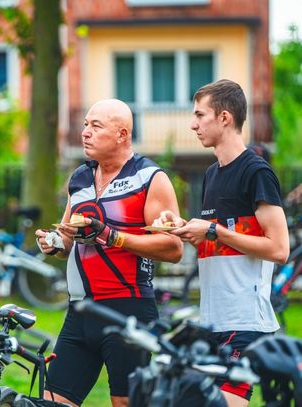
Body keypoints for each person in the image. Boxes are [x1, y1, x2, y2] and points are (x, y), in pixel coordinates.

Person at [35, 99, 183, 407]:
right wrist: (54, 242)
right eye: (85, 125)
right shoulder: (80, 178)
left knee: (125, 403)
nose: (85, 132)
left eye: (96, 126)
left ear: (122, 134)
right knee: (50, 402)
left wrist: (111, 236)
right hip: (80, 311)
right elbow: (68, 239)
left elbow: (173, 248)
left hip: (128, 310)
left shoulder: (149, 177)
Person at [154, 79, 290, 407]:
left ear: (225, 117)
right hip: (212, 320)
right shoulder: (212, 174)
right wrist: (184, 229)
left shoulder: (256, 172)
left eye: (200, 115)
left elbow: (279, 249)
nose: (193, 124)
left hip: (245, 321)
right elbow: (218, 241)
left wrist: (213, 230)